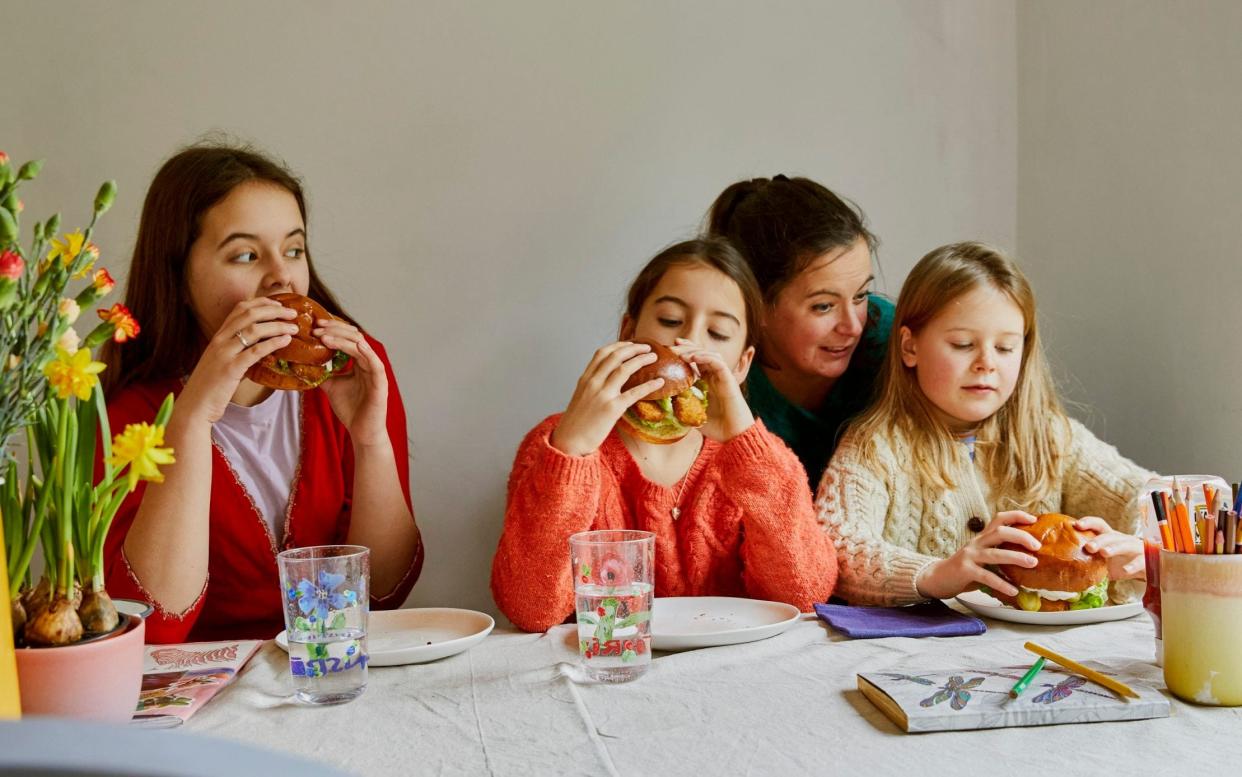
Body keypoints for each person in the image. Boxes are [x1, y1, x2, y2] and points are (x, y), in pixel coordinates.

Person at [100, 144, 423, 642]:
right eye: (246, 255)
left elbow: (384, 593)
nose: (282, 275)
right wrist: (190, 421)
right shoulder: (124, 412)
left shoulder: (353, 369)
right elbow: (153, 627)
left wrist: (370, 442)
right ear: (179, 279)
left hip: (333, 674)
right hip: (203, 698)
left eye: (294, 249)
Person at [490, 238, 836, 632]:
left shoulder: (760, 460)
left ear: (742, 364)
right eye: (670, 321)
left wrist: (748, 449)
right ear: (628, 331)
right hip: (604, 668)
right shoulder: (556, 443)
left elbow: (806, 596)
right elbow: (530, 611)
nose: (686, 345)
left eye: (719, 333)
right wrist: (572, 451)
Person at [817, 241, 1149, 606]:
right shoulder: (875, 447)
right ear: (910, 347)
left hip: (1035, 653)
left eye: (1005, 348)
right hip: (923, 654)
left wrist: (1141, 545)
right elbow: (837, 547)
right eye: (962, 344)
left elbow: (1148, 494)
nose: (986, 363)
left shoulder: (1049, 436)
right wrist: (936, 574)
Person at [706, 175, 893, 489]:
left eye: (860, 295)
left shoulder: (893, 340)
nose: (853, 326)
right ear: (756, 304)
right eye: (823, 306)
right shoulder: (715, 379)